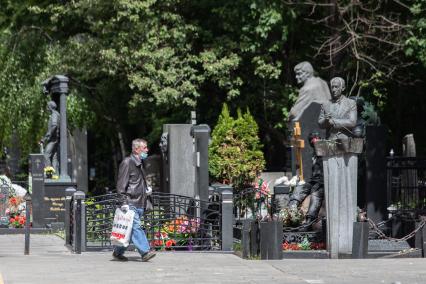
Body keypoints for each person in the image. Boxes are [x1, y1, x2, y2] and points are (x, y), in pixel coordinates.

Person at [112, 138, 155, 262]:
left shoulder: (140, 162)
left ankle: (117, 252)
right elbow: (121, 185)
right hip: (130, 202)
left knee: (128, 229)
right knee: (136, 227)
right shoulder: (127, 162)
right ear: (137, 149)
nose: (147, 150)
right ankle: (145, 252)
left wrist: (147, 189)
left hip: (140, 202)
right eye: (144, 148)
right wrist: (123, 202)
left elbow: (136, 182)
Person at [288, 132, 324, 227]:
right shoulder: (314, 153)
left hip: (324, 182)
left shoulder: (325, 151)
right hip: (314, 180)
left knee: (316, 193)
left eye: (315, 139)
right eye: (312, 141)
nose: (314, 142)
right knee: (301, 187)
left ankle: (310, 220)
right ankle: (292, 210)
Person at [40, 101, 60, 174]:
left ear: (50, 107)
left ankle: (49, 174)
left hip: (53, 139)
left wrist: (48, 136)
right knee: (54, 156)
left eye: (47, 106)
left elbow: (54, 126)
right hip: (54, 138)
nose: (47, 108)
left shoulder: (54, 114)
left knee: (46, 155)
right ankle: (55, 174)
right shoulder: (56, 114)